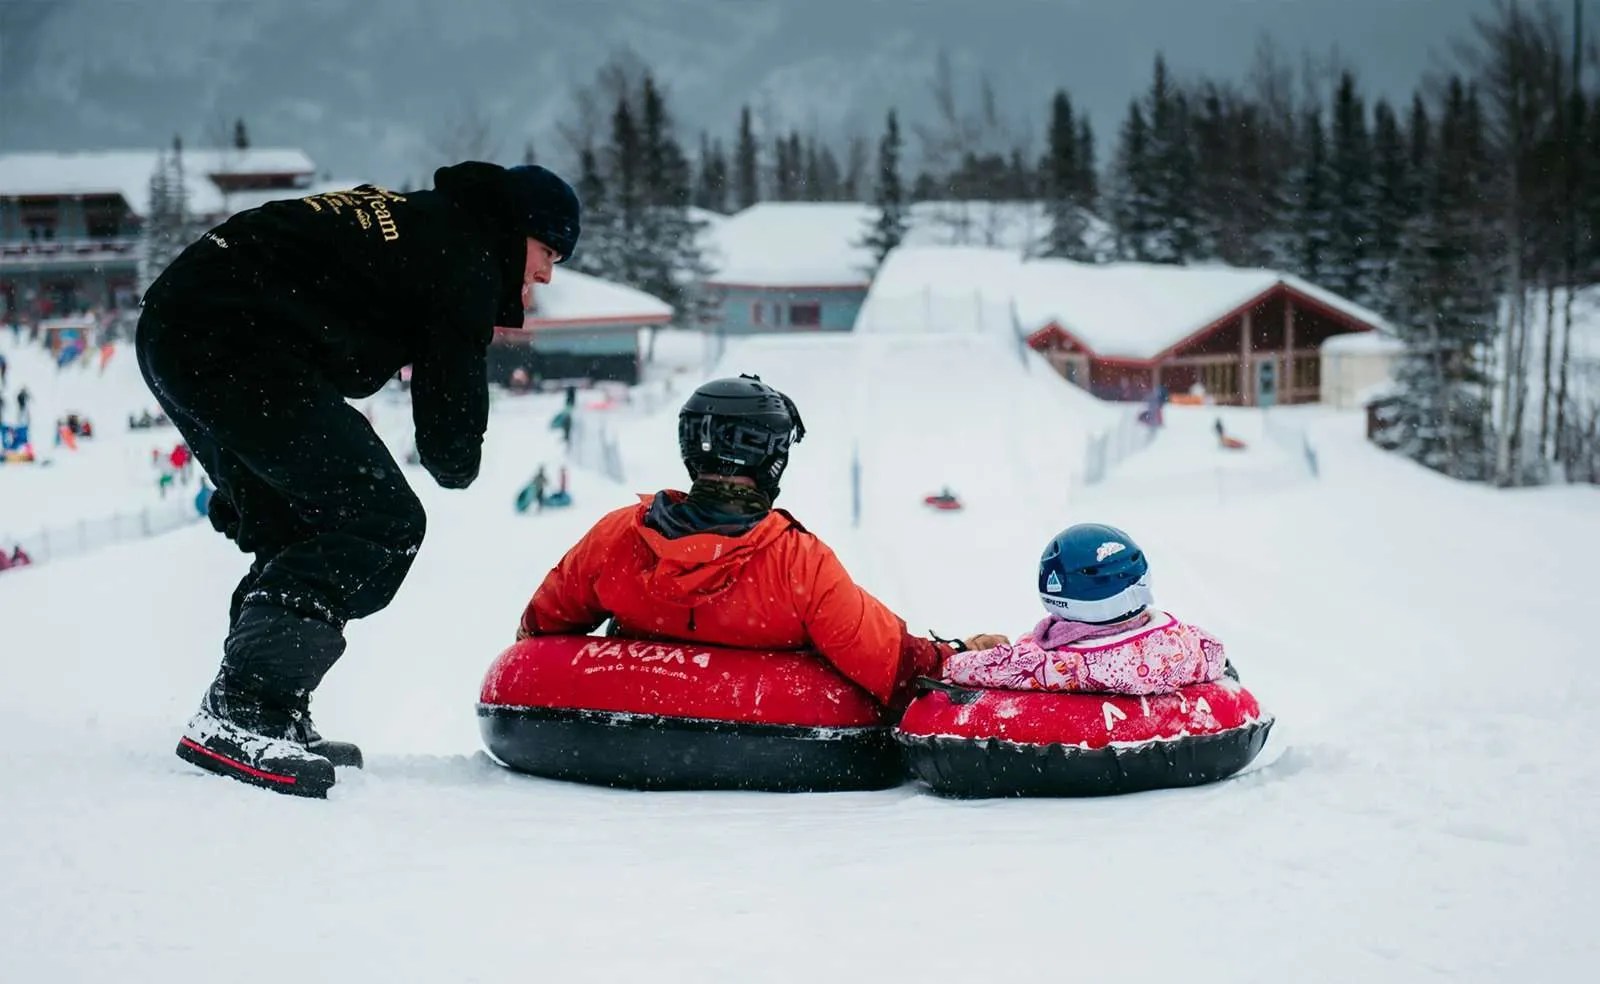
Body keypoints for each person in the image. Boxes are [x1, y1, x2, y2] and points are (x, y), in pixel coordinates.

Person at [136, 160, 581, 798]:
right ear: (513, 233)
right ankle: (244, 708)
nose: (543, 273)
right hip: (230, 339)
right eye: (546, 252)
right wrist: (462, 453)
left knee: (301, 522)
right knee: (381, 520)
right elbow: (449, 442)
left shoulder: (432, 225)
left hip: (182, 326)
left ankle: (269, 707)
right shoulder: (466, 254)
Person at [515, 375, 1006, 713]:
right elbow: (892, 665)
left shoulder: (618, 537)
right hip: (764, 768)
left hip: (608, 753)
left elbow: (539, 634)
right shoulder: (794, 562)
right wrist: (960, 655)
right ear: (771, 460)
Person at [942, 523, 1227, 696]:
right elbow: (1216, 654)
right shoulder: (1181, 641)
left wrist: (956, 657)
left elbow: (982, 669)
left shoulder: (1063, 665)